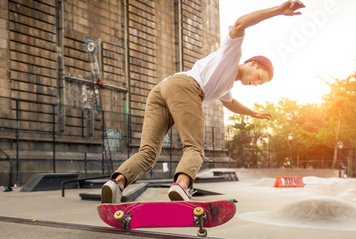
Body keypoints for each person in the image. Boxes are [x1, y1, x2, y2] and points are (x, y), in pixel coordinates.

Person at [102, 0, 306, 203]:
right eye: (259, 77)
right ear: (252, 63)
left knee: (148, 152)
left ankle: (116, 184)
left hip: (161, 92)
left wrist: (253, 113)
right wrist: (279, 10)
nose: (256, 84)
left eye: (260, 84)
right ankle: (181, 186)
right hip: (186, 88)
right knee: (194, 148)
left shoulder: (226, 87)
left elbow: (230, 103)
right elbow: (240, 24)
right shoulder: (232, 54)